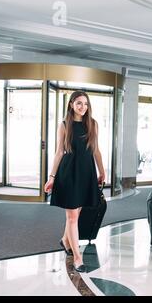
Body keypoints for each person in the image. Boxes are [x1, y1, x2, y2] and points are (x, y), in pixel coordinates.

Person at [44, 91, 105, 273]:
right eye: (79, 103)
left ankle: (65, 240)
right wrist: (52, 177)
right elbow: (59, 153)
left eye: (85, 104)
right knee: (72, 217)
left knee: (76, 213)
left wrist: (102, 171)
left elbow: (96, 151)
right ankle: (78, 258)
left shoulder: (93, 124)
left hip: (86, 173)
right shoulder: (64, 125)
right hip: (68, 173)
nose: (83, 107)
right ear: (71, 104)